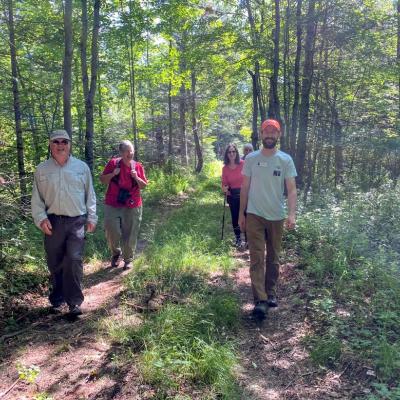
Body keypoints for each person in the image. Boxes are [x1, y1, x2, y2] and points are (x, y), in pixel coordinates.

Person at [31, 129, 97, 316]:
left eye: (64, 142)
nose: (61, 145)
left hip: (77, 220)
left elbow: (90, 195)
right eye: (56, 142)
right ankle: (57, 300)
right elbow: (37, 199)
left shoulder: (81, 167)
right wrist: (41, 218)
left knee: (74, 260)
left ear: (70, 145)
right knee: (55, 262)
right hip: (53, 222)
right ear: (50, 145)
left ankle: (74, 303)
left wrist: (92, 217)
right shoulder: (42, 169)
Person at [239, 119, 297, 319]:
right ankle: (260, 300)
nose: (270, 135)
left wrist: (291, 214)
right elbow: (244, 188)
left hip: (276, 216)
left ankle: (270, 292)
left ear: (278, 135)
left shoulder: (285, 160)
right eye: (266, 131)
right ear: (261, 134)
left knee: (274, 257)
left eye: (274, 132)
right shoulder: (251, 159)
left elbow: (291, 189)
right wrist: (241, 214)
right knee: (256, 257)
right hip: (254, 214)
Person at [100, 140, 148, 270]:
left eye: (131, 150)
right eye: (127, 151)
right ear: (121, 153)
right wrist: (112, 174)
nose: (130, 153)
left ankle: (128, 259)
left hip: (133, 204)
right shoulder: (113, 164)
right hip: (112, 203)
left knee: (130, 232)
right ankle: (116, 253)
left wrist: (136, 177)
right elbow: (102, 180)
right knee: (112, 230)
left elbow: (143, 185)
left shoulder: (137, 166)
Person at [222, 143, 245, 248]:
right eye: (229, 152)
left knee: (247, 216)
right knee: (235, 217)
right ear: (227, 154)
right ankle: (238, 238)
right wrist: (224, 188)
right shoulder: (225, 168)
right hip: (232, 195)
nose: (231, 154)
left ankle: (248, 239)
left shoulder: (243, 164)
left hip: (245, 194)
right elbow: (224, 182)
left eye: (233, 151)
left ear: (236, 153)